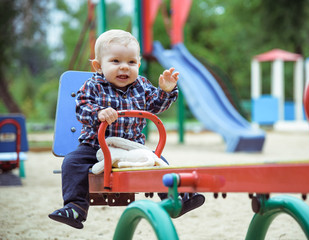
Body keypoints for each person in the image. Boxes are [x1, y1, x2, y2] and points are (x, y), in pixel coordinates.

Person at [49, 29, 205, 229]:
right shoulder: (92, 86)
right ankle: (76, 208)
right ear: (98, 66)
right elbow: (82, 109)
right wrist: (98, 113)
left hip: (132, 147)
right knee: (71, 162)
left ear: (138, 65)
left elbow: (156, 105)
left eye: (131, 62)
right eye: (115, 61)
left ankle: (180, 199)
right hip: (95, 146)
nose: (124, 67)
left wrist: (166, 91)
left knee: (161, 163)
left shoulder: (142, 85)